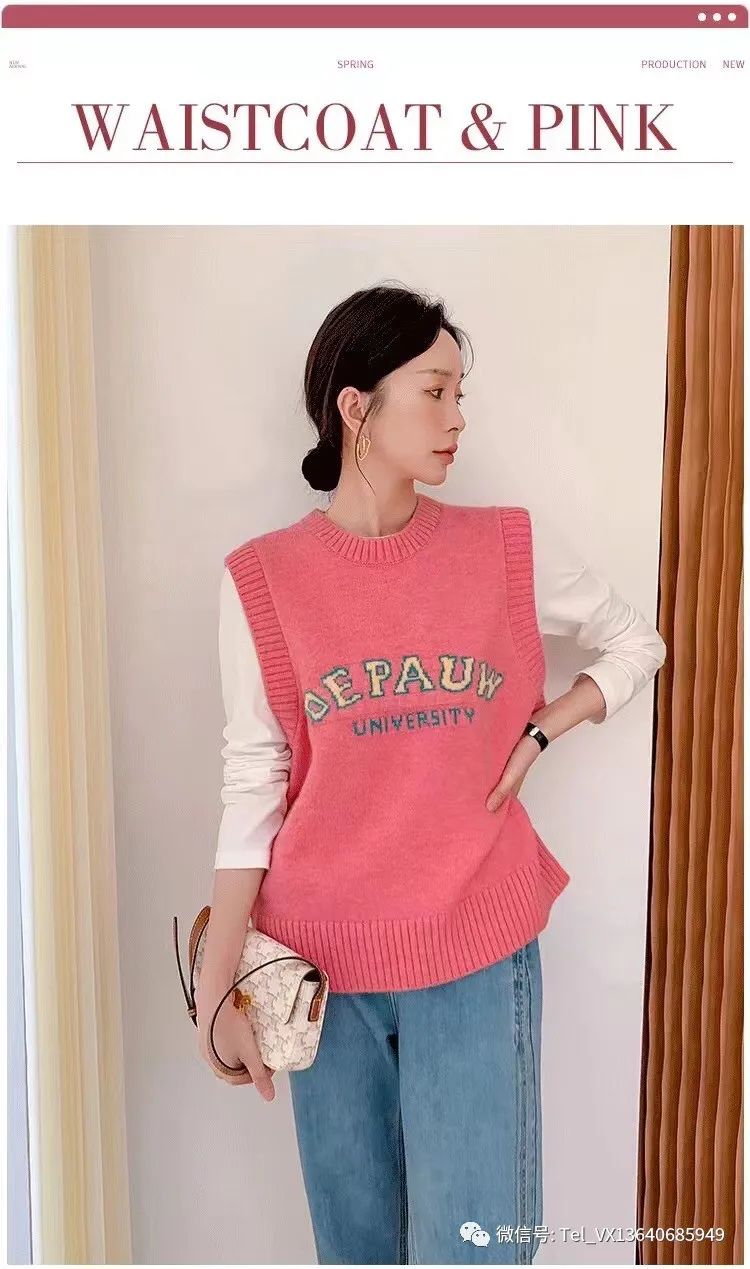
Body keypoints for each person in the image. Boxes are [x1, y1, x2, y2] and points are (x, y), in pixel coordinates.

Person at [195, 283, 667, 1266]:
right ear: (356, 407)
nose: (458, 418)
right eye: (435, 391)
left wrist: (544, 730)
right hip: (323, 974)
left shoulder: (503, 549)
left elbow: (637, 642)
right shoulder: (263, 579)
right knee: (357, 1249)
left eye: (461, 394)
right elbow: (254, 784)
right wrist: (217, 989)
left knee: (475, 1250)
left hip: (476, 955)